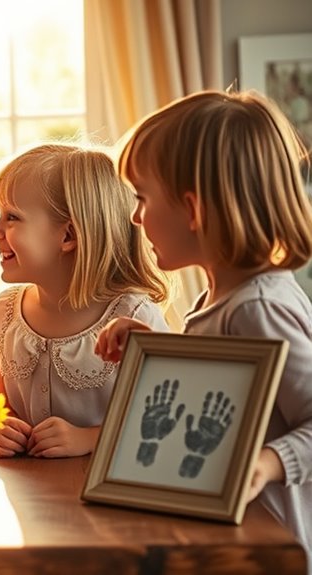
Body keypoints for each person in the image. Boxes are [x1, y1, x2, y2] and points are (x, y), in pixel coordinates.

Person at [95, 90, 312, 561]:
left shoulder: (257, 308)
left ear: (192, 209)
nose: (135, 217)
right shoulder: (222, 299)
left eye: (142, 198)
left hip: (269, 549)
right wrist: (156, 348)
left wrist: (270, 462)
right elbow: (229, 392)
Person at [0, 143, 170, 459]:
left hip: (107, 500)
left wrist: (90, 438)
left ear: (67, 236)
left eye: (11, 217)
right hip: (29, 498)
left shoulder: (134, 316)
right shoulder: (3, 313)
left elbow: (164, 421)